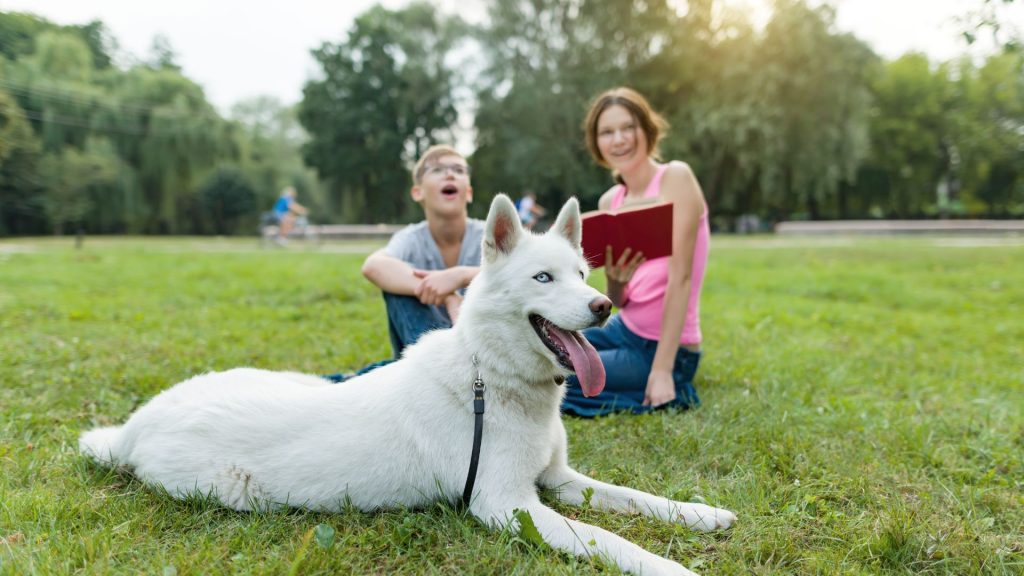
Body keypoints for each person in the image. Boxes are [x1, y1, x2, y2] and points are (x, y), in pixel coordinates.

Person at [561, 87, 711, 417]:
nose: (619, 139)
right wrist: (616, 283)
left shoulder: (675, 177)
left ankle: (674, 388)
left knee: (561, 382)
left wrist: (661, 370)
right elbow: (622, 300)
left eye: (628, 127)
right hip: (624, 328)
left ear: (647, 129)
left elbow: (681, 279)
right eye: (607, 132)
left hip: (664, 348)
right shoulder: (609, 201)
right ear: (596, 142)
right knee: (543, 358)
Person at [358, 144, 483, 359]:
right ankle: (441, 368)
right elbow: (373, 266)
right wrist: (449, 298)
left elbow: (522, 272)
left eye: (459, 170)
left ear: (469, 192)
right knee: (397, 283)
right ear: (418, 192)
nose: (450, 174)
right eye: (437, 170)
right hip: (427, 356)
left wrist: (461, 275)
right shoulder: (410, 239)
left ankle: (350, 383)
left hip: (486, 350)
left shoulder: (489, 235)